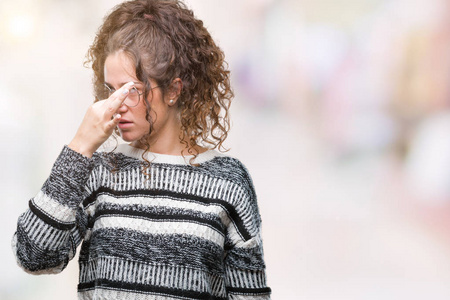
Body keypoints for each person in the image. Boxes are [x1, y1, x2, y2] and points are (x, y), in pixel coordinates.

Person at [12, 0, 271, 299]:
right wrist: (79, 147)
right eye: (111, 90)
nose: (116, 105)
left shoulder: (228, 181)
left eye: (131, 90)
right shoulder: (98, 172)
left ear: (173, 90)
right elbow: (33, 256)